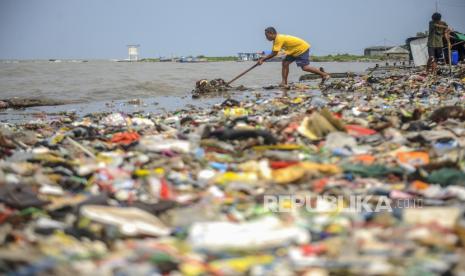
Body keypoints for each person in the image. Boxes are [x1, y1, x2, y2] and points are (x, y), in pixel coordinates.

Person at [257, 27, 330, 87]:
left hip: (301, 49)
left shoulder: (278, 39)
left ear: (272, 34)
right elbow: (274, 52)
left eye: (267, 36)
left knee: (305, 67)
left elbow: (274, 53)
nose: (266, 38)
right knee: (285, 63)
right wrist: (263, 59)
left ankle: (324, 75)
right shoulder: (276, 40)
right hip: (293, 51)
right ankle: (284, 83)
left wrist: (263, 59)